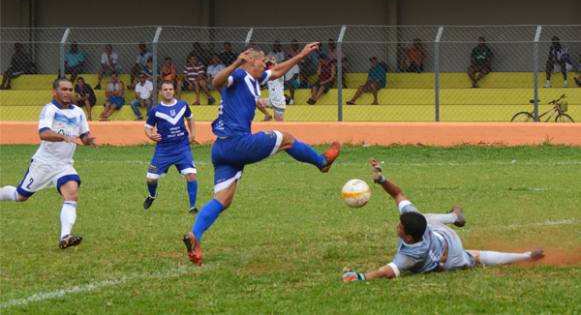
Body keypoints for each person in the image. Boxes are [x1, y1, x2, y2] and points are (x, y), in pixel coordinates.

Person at [182, 43, 341, 265]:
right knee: (286, 138)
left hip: (221, 149)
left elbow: (277, 71)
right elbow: (216, 82)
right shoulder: (237, 75)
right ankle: (322, 162)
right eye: (262, 60)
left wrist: (301, 55)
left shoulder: (253, 79)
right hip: (238, 143)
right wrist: (237, 62)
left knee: (223, 199)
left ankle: (195, 236)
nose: (266, 63)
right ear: (250, 62)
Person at [341, 160, 544, 283]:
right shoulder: (416, 221)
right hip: (442, 236)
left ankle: (525, 256)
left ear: (409, 236)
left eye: (400, 226)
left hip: (449, 259)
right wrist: (381, 180)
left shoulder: (410, 254)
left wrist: (359, 277)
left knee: (475, 256)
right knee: (427, 218)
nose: (397, 226)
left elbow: (386, 271)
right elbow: (398, 194)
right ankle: (455, 217)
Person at [0, 78, 97, 249]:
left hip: (64, 164)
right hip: (43, 164)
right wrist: (63, 136)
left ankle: (65, 236)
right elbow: (43, 134)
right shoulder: (49, 110)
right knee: (20, 196)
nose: (67, 92)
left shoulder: (78, 112)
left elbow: (83, 135)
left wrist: (88, 140)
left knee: (72, 194)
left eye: (70, 89)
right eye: (64, 89)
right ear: (55, 92)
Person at [143, 81, 199, 214]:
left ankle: (193, 206)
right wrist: (151, 135)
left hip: (182, 148)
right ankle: (152, 195)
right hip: (164, 149)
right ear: (161, 92)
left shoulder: (183, 105)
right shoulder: (155, 110)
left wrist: (193, 134)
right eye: (165, 89)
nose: (168, 91)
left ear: (174, 91)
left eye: (170, 89)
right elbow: (148, 127)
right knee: (151, 179)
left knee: (191, 175)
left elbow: (190, 118)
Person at [256, 57, 286, 121]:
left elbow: (278, 69)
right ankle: (268, 115)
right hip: (271, 100)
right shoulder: (268, 76)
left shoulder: (279, 75)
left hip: (279, 103)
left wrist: (275, 63)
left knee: (279, 126)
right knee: (257, 102)